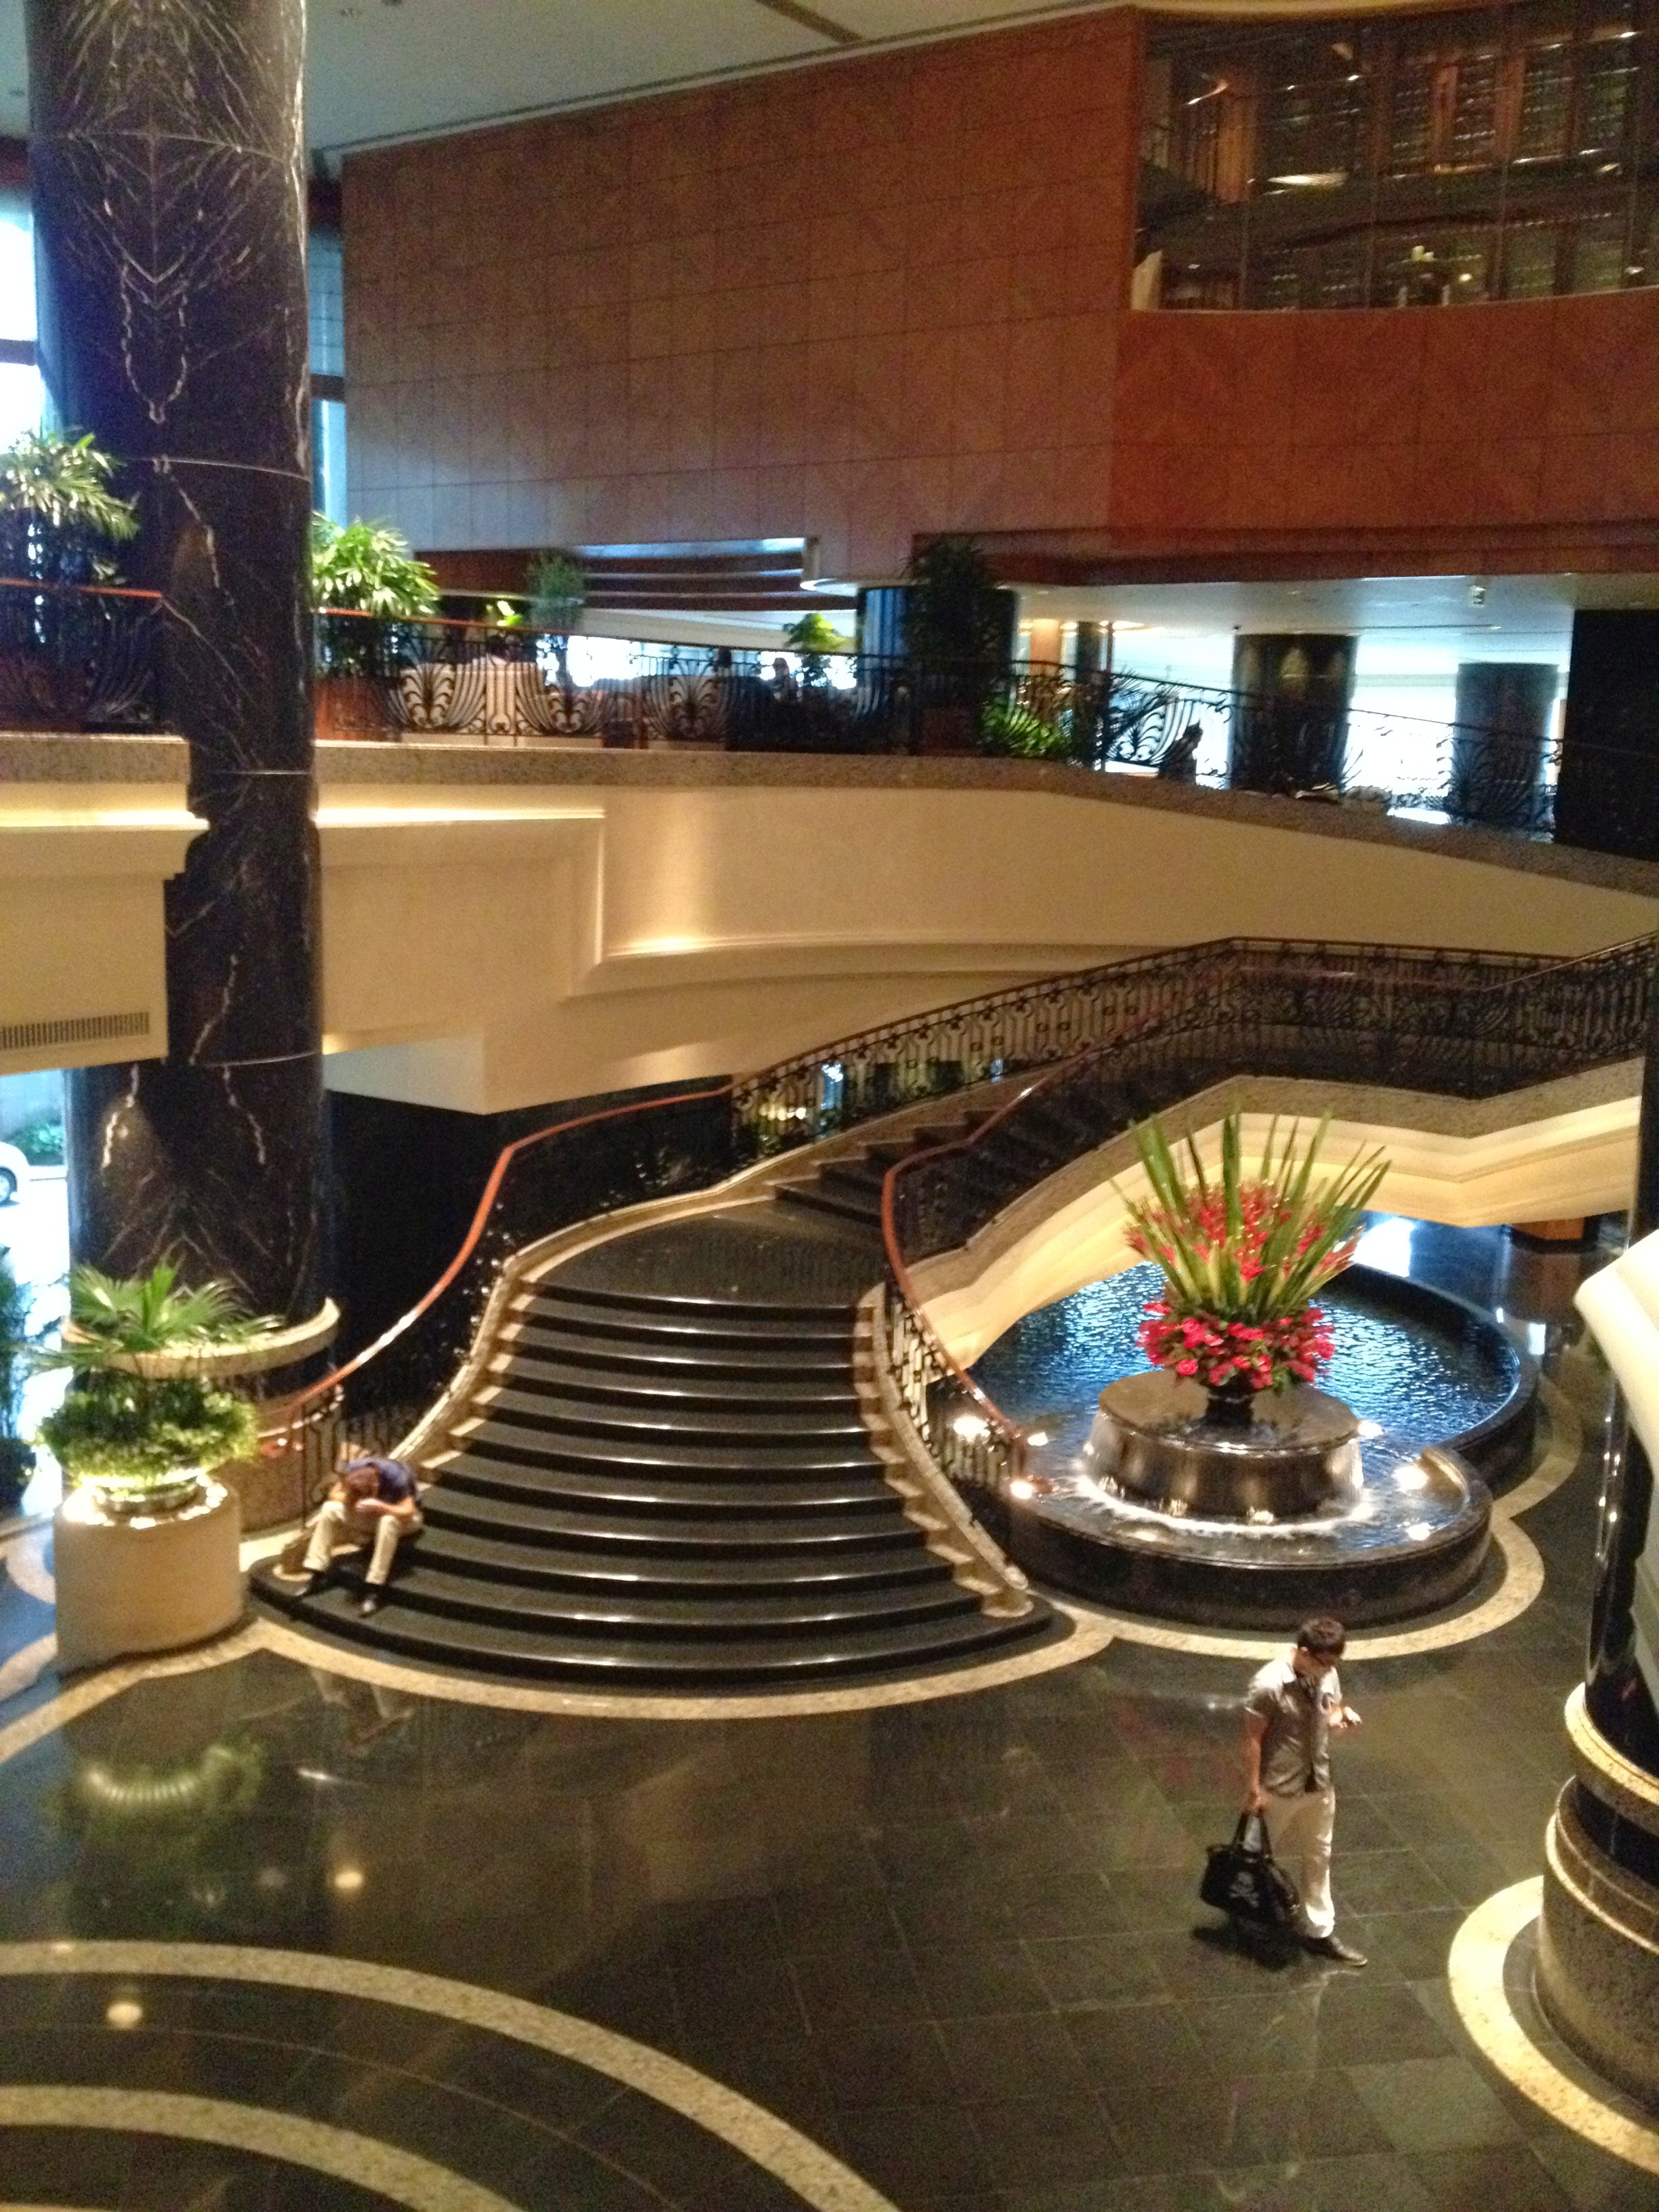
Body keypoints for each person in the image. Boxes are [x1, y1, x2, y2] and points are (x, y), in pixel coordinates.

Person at [1242, 1616, 1367, 1966]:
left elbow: (1331, 1712)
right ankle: (1250, 1918)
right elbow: (1252, 1739)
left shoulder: (1328, 1674)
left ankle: (1319, 1930)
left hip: (1319, 1782)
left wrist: (1342, 1718)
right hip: (1279, 1786)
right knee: (1258, 1856)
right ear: (1304, 1653)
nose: (1327, 1670)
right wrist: (1253, 1790)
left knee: (1319, 1855)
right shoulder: (1269, 1684)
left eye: (1333, 1663)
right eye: (1322, 1663)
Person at [302, 1455, 422, 1618]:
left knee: (388, 1521)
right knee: (329, 1509)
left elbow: (408, 1511)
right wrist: (350, 1501)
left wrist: (380, 1506)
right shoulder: (353, 1469)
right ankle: (316, 1572)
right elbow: (334, 1494)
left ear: (375, 1486)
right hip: (370, 1515)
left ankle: (375, 1587)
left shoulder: (396, 1475)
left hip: (403, 1518)